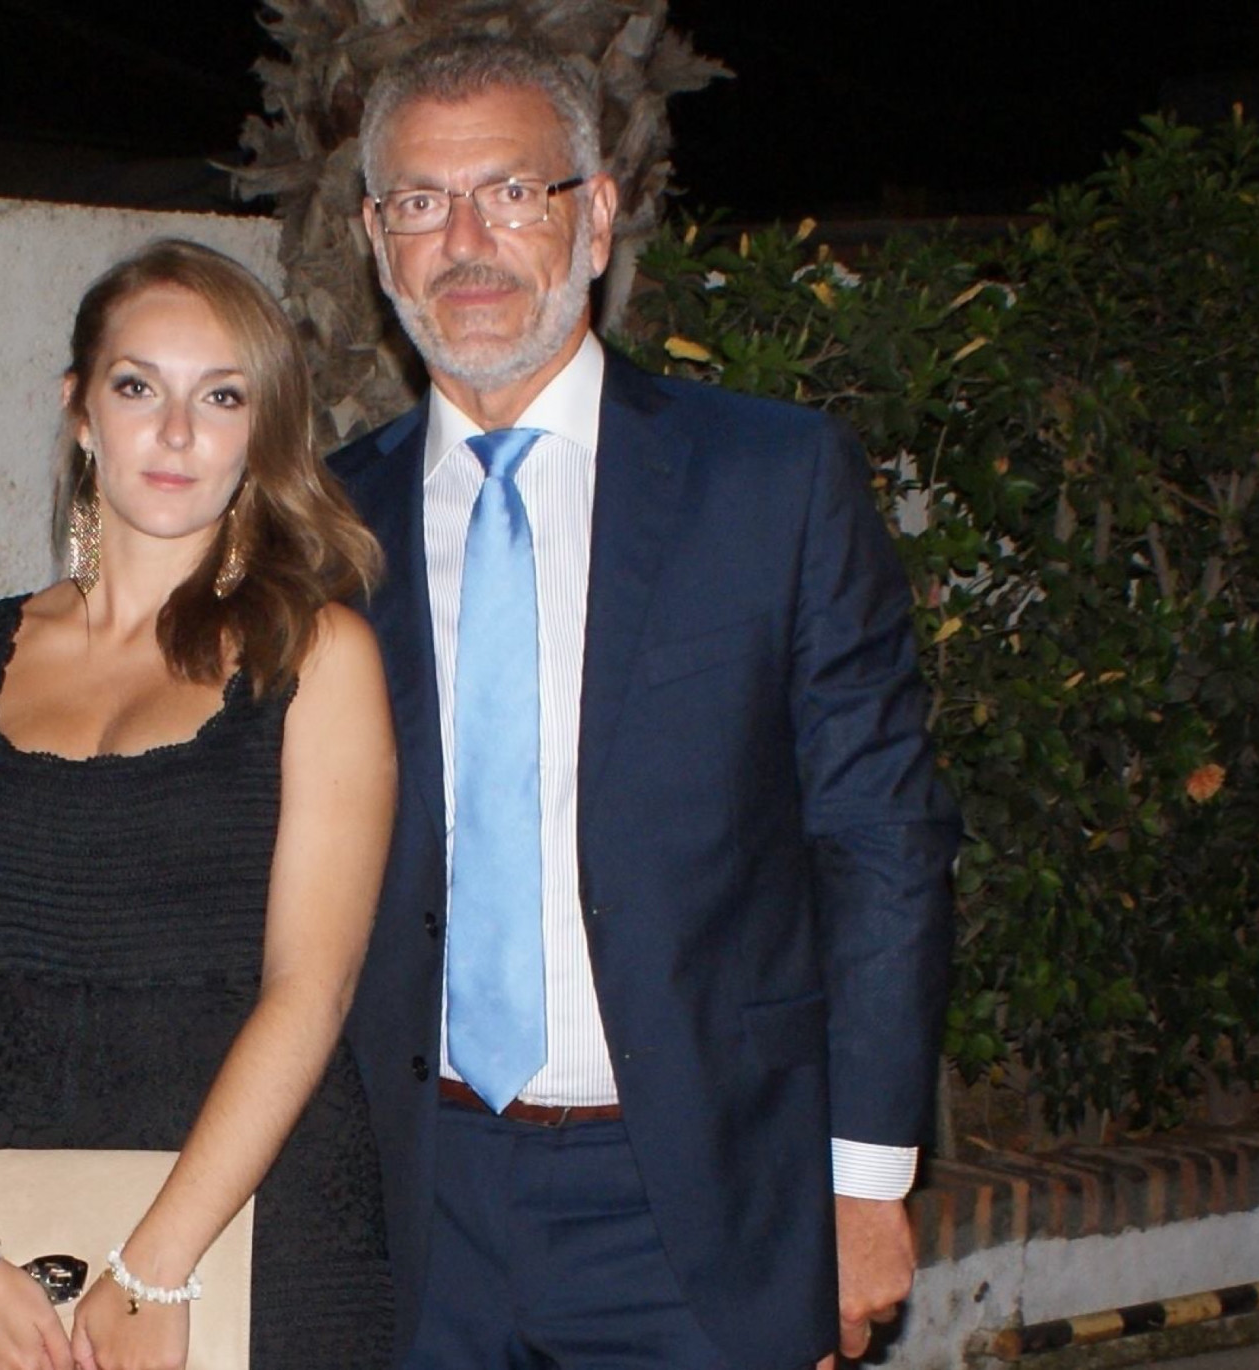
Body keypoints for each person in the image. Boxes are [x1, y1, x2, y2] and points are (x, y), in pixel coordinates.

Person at [331, 35, 961, 1370]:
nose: (466, 242)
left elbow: (880, 838)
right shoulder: (324, 524)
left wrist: (865, 1182)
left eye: (512, 192)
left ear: (598, 214)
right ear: (378, 242)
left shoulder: (770, 482)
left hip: (698, 1207)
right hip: (409, 1210)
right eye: (422, 202)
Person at [0, 238, 397, 1370]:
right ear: (79, 410)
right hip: (20, 1216)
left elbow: (310, 986)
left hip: (258, 1218)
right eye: (137, 387)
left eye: (221, 396)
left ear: (261, 432)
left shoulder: (317, 656)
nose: (175, 432)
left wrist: (158, 1263)